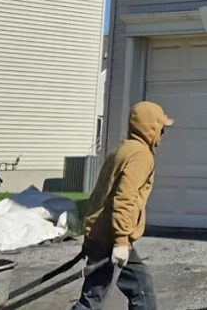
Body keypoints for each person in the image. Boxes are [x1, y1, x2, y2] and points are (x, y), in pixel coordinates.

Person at [73, 101, 174, 310]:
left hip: (101, 233)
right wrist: (120, 241)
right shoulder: (141, 156)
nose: (162, 135)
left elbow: (101, 194)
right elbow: (124, 198)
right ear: (150, 127)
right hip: (110, 237)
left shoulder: (124, 148)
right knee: (141, 290)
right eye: (161, 129)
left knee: (95, 295)